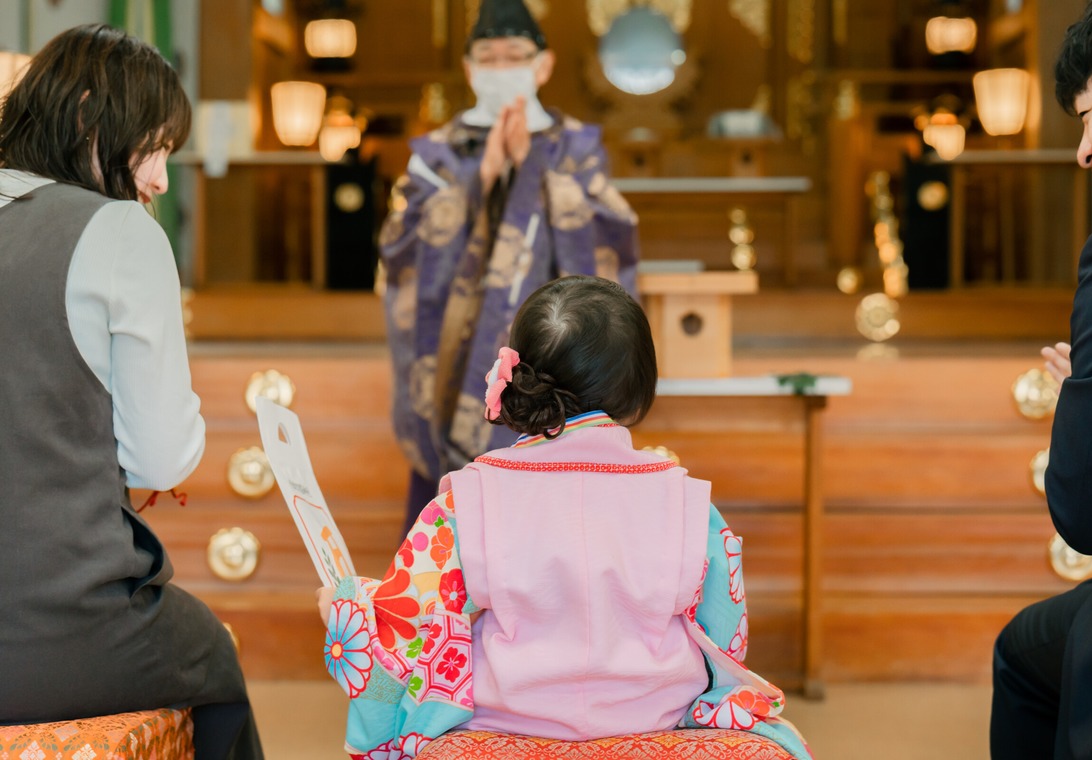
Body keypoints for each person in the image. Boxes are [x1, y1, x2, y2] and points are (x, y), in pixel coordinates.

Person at [318, 275, 812, 759]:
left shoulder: (468, 497)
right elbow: (726, 636)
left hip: (505, 724)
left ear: (520, 377)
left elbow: (406, 625)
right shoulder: (686, 501)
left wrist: (349, 605)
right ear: (640, 389)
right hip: (654, 718)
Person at [0, 24, 262, 759]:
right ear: (90, 117)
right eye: (155, 148)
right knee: (211, 653)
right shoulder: (119, 231)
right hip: (49, 630)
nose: (160, 180)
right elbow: (161, 460)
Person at [379, 0, 639, 536]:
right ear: (470, 69)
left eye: (515, 56)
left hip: (551, 360)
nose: (502, 69)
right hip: (454, 368)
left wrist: (533, 171)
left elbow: (610, 232)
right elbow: (400, 246)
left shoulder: (575, 146)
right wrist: (483, 177)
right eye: (488, 58)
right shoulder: (437, 153)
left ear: (542, 65)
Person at [990, 1, 1092, 757]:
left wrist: (1091, 395)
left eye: (1087, 116)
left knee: (1024, 651)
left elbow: (1087, 514)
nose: (1083, 151)